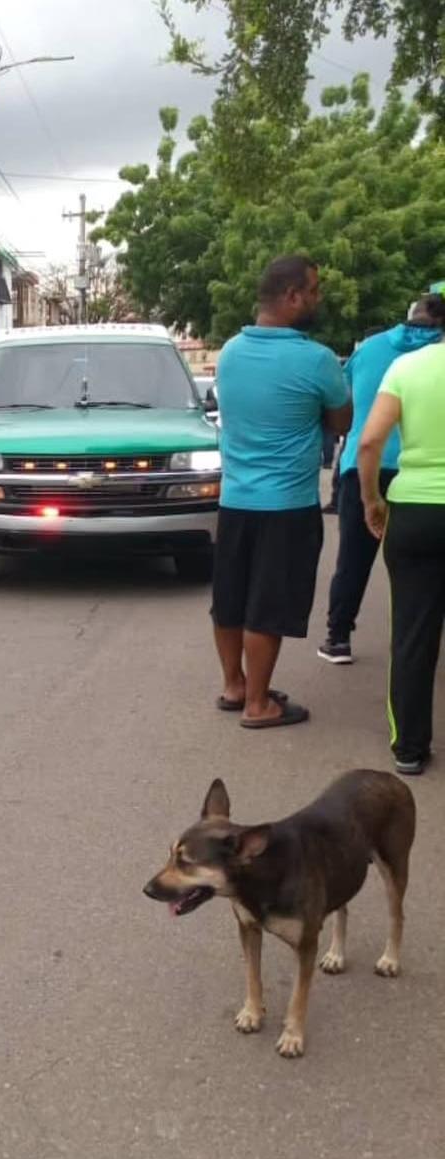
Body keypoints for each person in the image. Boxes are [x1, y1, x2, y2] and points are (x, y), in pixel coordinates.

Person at [211, 256, 351, 727]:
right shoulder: (317, 360)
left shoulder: (229, 353)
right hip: (287, 505)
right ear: (291, 296)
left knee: (230, 598)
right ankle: (258, 704)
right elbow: (341, 421)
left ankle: (234, 685)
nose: (317, 298)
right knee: (267, 606)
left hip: (234, 500)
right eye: (313, 290)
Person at [319, 299, 442, 664]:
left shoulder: (369, 349)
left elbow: (344, 404)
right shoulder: (436, 356)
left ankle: (338, 637)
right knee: (426, 562)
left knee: (353, 558)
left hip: (363, 466)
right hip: (420, 474)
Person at [359, 292, 445, 775]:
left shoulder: (407, 368)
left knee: (412, 634)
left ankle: (409, 748)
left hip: (413, 511)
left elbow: (370, 441)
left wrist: (372, 500)